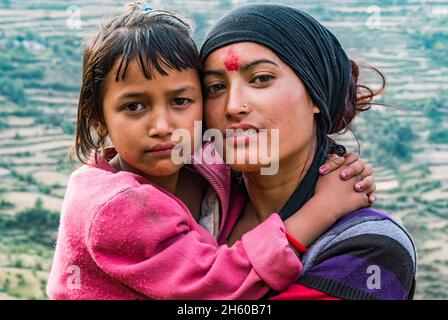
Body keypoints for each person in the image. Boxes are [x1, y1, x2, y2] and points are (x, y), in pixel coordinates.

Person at [46, 3, 376, 300]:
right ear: (99, 120)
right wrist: (321, 210)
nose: (162, 126)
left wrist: (337, 169)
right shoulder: (114, 206)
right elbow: (213, 290)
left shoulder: (369, 248)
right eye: (217, 87)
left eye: (180, 101)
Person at [200, 3, 417, 300]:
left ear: (316, 94)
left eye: (261, 79)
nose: (233, 106)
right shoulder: (193, 208)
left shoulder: (371, 247)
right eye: (214, 87)